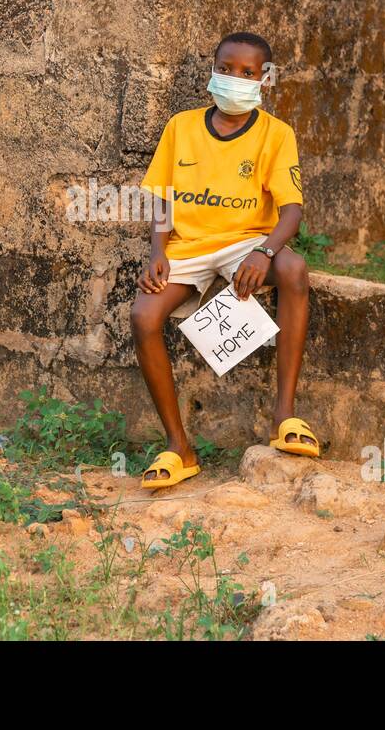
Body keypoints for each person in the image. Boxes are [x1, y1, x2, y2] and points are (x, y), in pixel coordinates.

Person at [131, 31, 316, 489]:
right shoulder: (182, 126)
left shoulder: (276, 134)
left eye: (247, 73)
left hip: (245, 243)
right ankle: (179, 446)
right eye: (226, 69)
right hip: (188, 248)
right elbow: (162, 198)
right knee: (143, 315)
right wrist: (157, 251)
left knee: (293, 269)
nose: (235, 79)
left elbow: (291, 210)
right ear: (213, 72)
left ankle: (284, 418)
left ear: (264, 79)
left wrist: (265, 250)